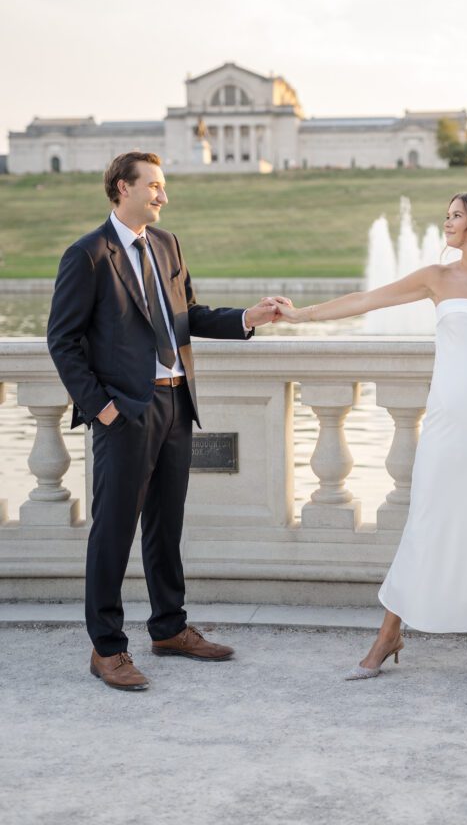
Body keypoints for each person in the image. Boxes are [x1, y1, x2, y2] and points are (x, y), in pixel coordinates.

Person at [274, 189, 467, 689]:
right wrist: (301, 316)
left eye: (456, 216)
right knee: (426, 522)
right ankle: (390, 634)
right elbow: (368, 299)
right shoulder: (436, 278)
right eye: (446, 215)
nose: (447, 223)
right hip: (447, 423)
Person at [47, 151, 284, 692]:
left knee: (165, 525)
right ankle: (107, 648)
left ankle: (169, 628)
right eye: (153, 186)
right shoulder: (87, 255)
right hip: (125, 413)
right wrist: (102, 408)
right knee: (113, 532)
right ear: (121, 189)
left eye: (163, 186)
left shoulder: (166, 244)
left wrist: (249, 317)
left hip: (177, 404)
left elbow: (188, 316)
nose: (163, 195)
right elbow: (62, 341)